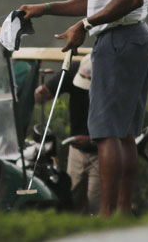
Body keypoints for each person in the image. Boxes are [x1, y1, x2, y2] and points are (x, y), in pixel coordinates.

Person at [19, 0, 148, 217]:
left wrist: (85, 24)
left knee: (107, 132)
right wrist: (45, 9)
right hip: (129, 39)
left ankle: (107, 218)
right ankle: (121, 215)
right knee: (122, 133)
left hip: (121, 40)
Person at [34, 54, 99, 214]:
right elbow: (47, 93)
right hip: (76, 149)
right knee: (71, 198)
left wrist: (94, 140)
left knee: (97, 203)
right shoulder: (75, 70)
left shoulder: (114, 82)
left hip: (104, 150)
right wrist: (41, 92)